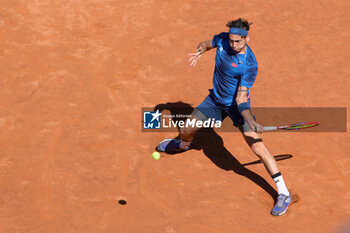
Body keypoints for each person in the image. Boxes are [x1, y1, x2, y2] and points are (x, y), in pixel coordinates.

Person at [156, 18, 292, 216]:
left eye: (238, 41)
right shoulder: (222, 40)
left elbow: (242, 97)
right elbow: (205, 44)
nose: (233, 44)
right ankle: (184, 145)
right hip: (215, 101)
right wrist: (200, 51)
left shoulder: (249, 65)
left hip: (236, 107)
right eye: (231, 40)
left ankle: (283, 192)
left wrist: (250, 120)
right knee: (185, 130)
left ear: (247, 39)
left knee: (257, 146)